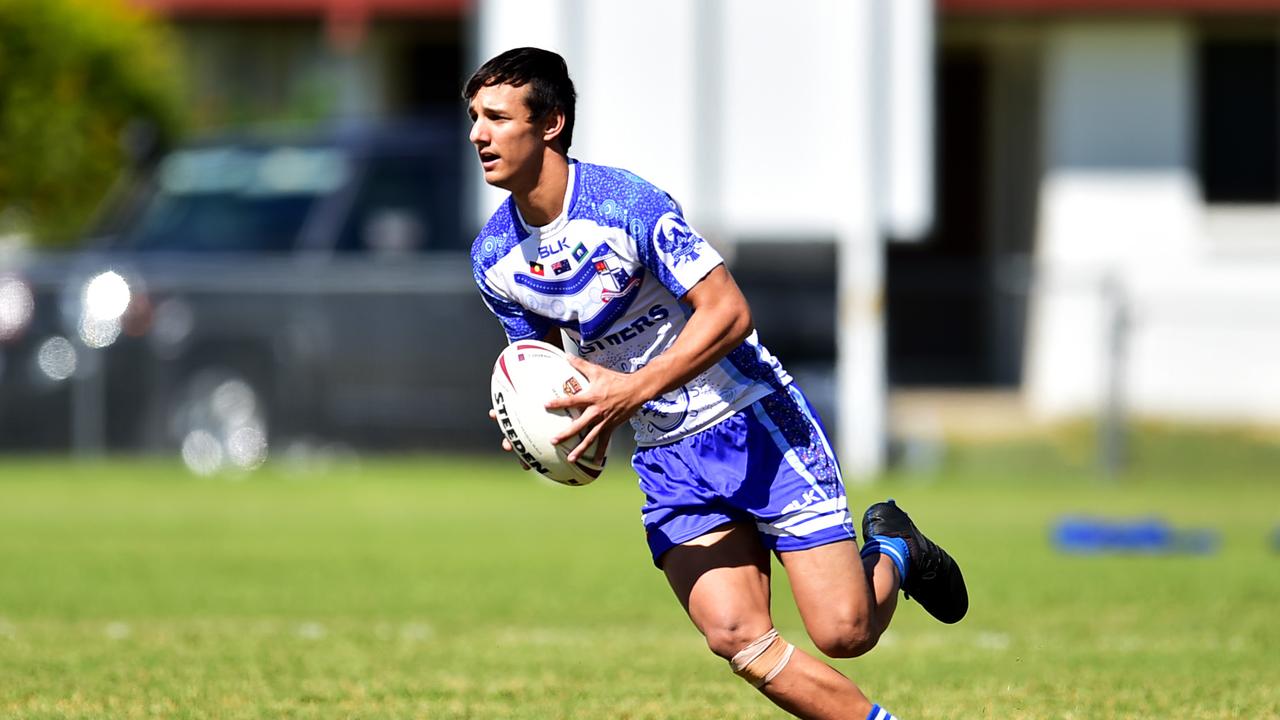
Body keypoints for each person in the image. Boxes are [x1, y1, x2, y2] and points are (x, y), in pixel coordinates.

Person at [466, 47, 967, 720]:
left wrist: (631, 388)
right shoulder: (495, 258)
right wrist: (537, 429)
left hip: (752, 421)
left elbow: (728, 311)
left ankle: (896, 549)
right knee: (736, 635)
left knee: (843, 632)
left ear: (550, 123)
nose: (478, 134)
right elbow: (543, 371)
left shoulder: (625, 205)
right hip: (669, 458)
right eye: (474, 118)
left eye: (496, 117)